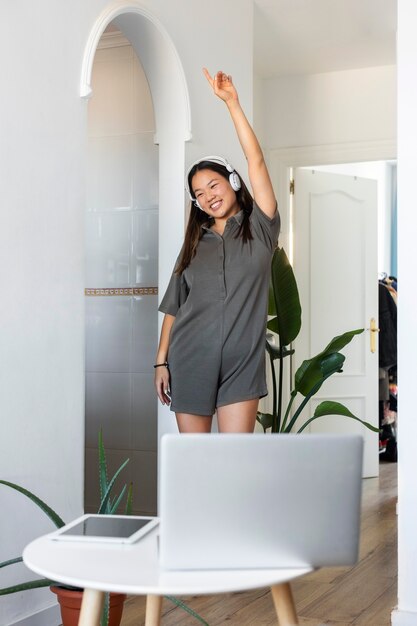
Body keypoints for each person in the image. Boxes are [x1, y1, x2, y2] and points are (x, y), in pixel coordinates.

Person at [154, 68, 280, 434]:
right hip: (190, 357)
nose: (209, 196)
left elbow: (256, 160)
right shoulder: (194, 242)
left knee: (232, 463)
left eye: (214, 184)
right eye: (200, 194)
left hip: (242, 364)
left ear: (233, 182)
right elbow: (174, 306)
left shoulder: (260, 227)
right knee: (196, 464)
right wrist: (161, 363)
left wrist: (232, 104)